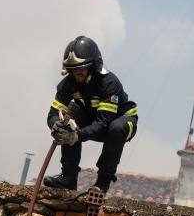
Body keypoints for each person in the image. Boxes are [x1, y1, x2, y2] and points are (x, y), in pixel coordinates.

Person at [43, 35, 139, 195]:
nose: (77, 74)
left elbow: (103, 123)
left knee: (116, 129)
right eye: (73, 69)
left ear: (93, 66)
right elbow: (52, 114)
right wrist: (56, 125)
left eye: (81, 68)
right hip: (94, 119)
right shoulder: (67, 84)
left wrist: (76, 136)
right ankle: (68, 178)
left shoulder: (109, 83)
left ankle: (102, 183)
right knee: (66, 123)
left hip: (119, 121)